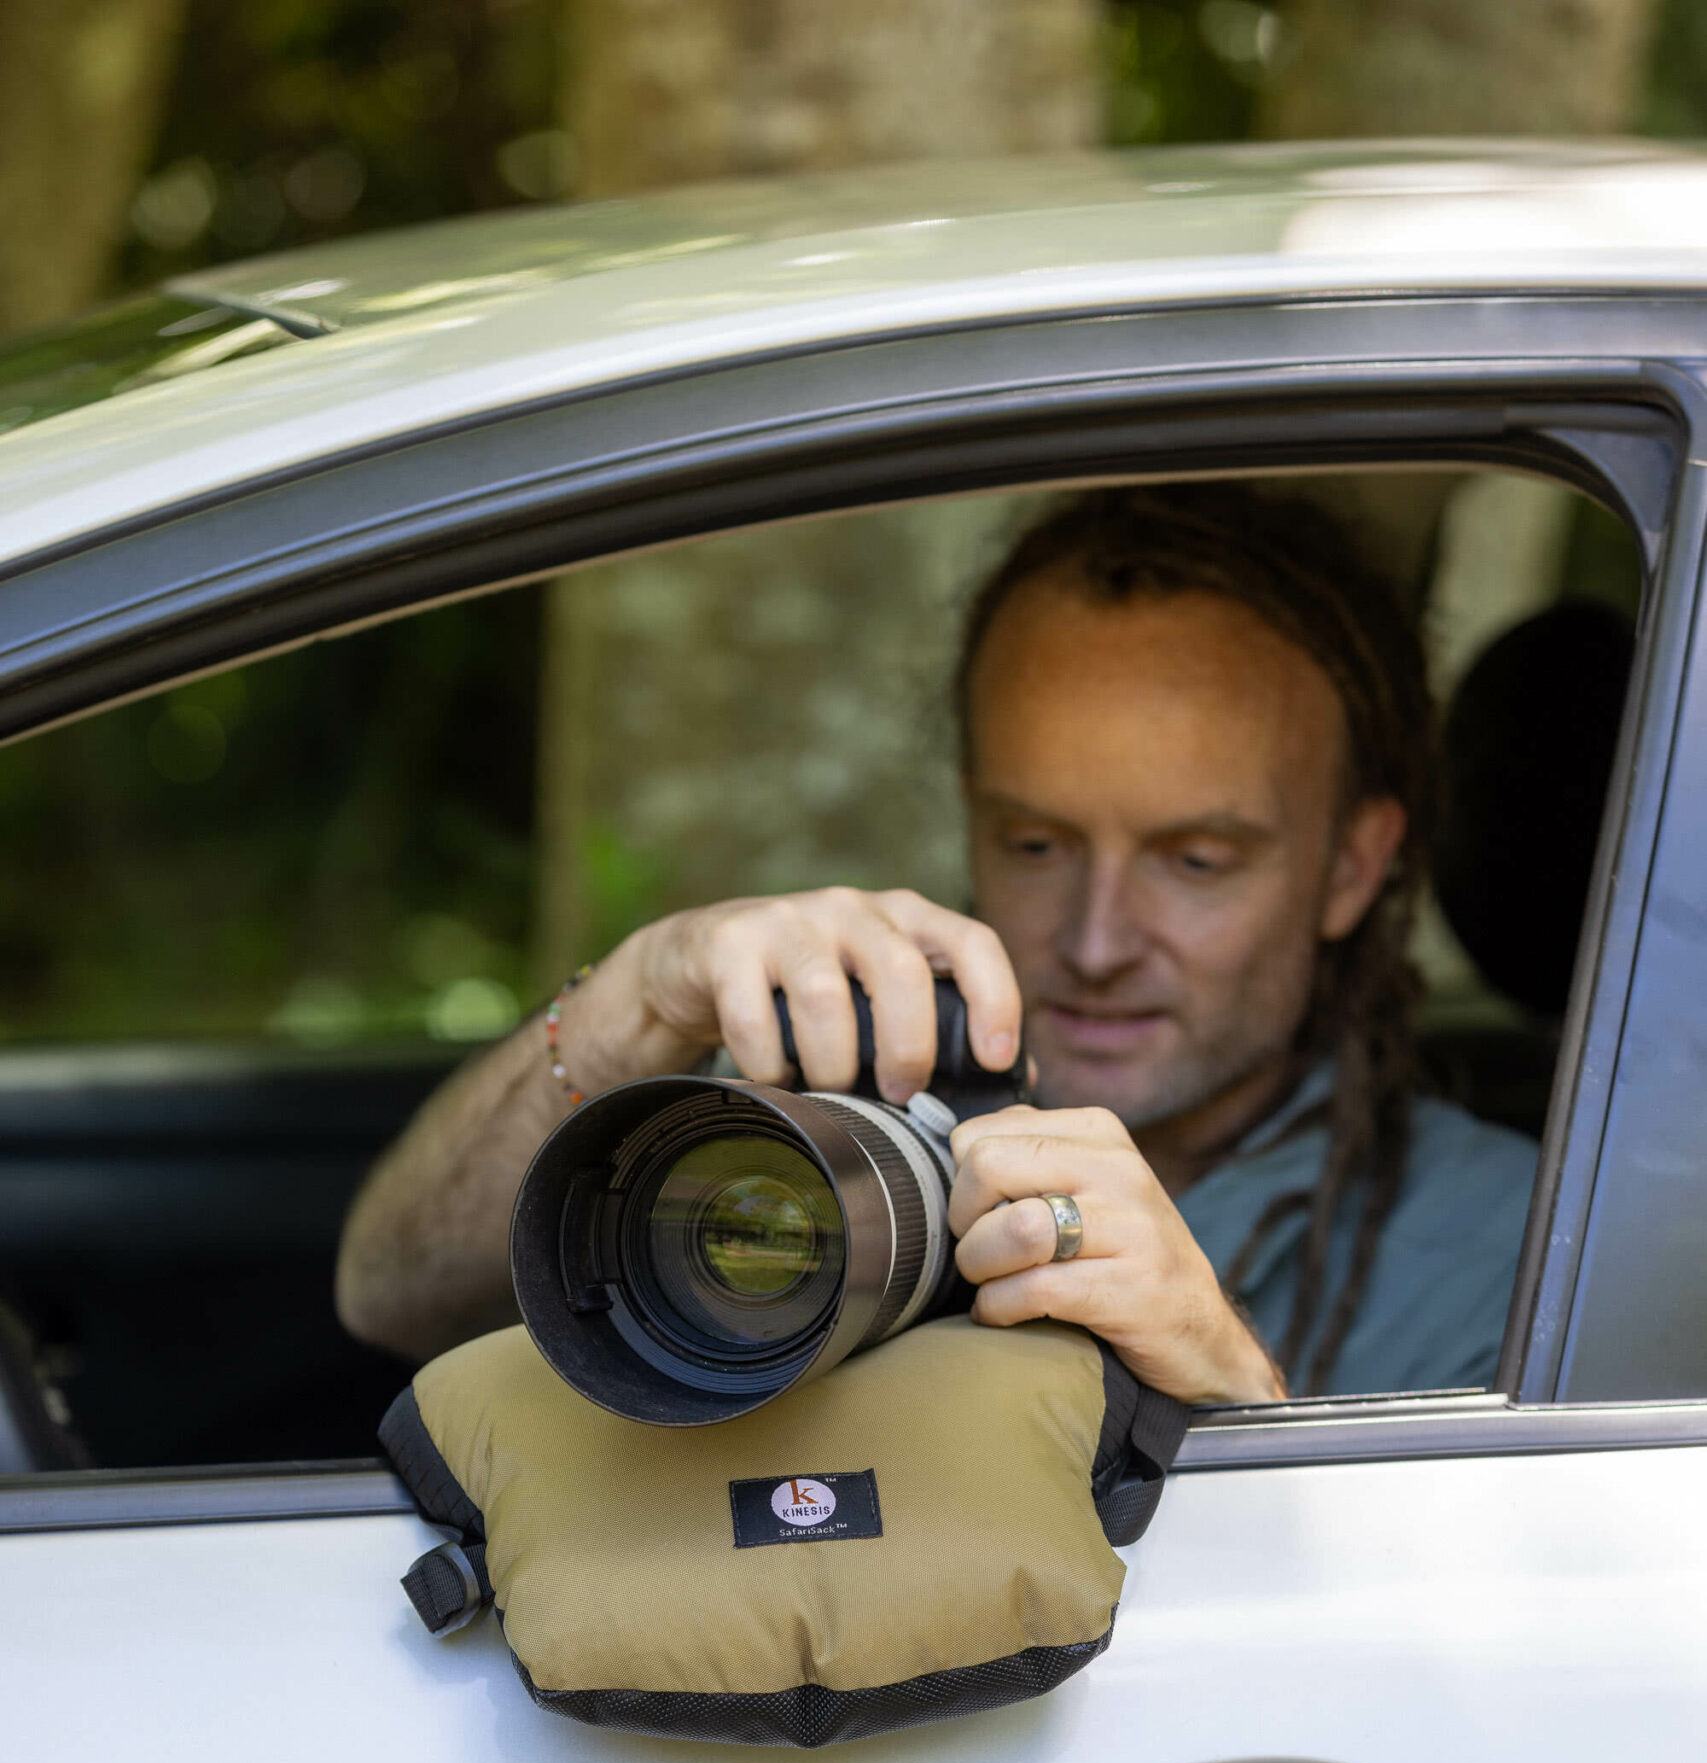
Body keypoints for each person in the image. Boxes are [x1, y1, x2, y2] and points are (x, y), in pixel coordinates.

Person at [336, 483, 1538, 1406]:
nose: (1098, 939)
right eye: (1036, 844)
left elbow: (1473, 1700)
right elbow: (394, 1296)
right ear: (969, 810)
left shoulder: (1525, 1253)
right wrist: (635, 1006)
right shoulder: (828, 1120)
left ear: (1352, 866)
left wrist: (1224, 1383)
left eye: (1197, 859)